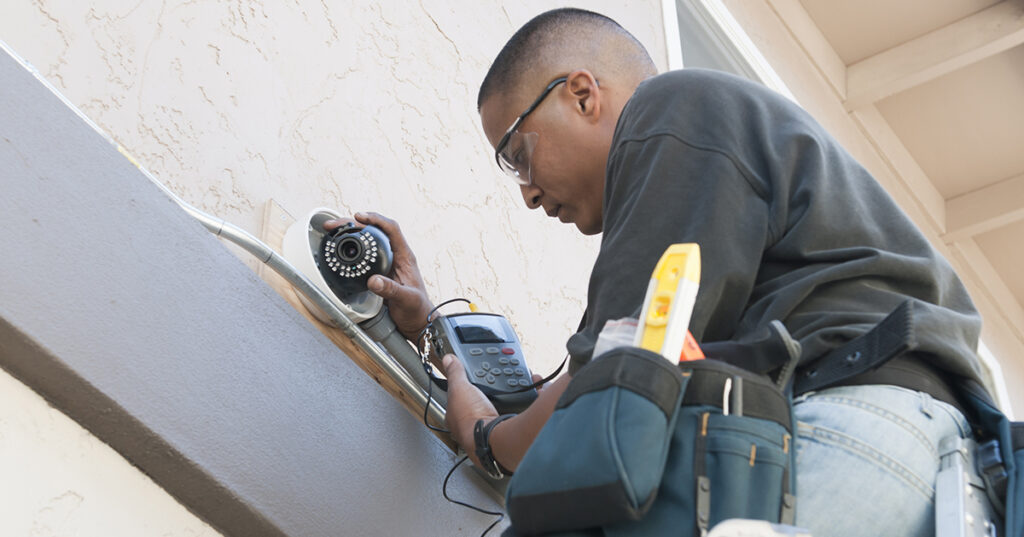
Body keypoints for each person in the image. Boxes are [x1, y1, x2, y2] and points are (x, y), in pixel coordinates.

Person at [331, 8, 993, 537]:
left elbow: (608, 379)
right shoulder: (698, 195)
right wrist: (429, 333)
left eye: (518, 153)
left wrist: (487, 439)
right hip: (927, 470)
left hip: (851, 422)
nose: (526, 191)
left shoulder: (669, 110)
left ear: (582, 94)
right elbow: (577, 384)